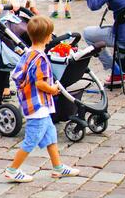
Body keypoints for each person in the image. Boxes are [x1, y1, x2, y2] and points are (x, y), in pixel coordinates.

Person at [5, 15, 80, 182]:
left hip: (35, 104)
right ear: (47, 37)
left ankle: (58, 167)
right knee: (31, 140)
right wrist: (53, 89)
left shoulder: (28, 54)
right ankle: (12, 169)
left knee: (51, 135)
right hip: (37, 106)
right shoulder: (42, 59)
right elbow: (40, 83)